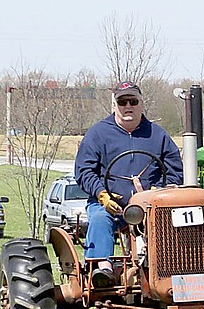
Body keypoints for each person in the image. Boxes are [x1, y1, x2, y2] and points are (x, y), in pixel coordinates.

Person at [75, 81, 184, 287]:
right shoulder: (98, 134)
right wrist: (102, 194)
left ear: (141, 104)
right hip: (111, 206)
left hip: (151, 207)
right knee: (99, 217)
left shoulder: (158, 135)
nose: (128, 106)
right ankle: (102, 269)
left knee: (177, 220)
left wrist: (159, 192)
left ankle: (174, 271)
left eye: (133, 101)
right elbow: (84, 171)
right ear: (114, 105)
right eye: (122, 101)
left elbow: (174, 172)